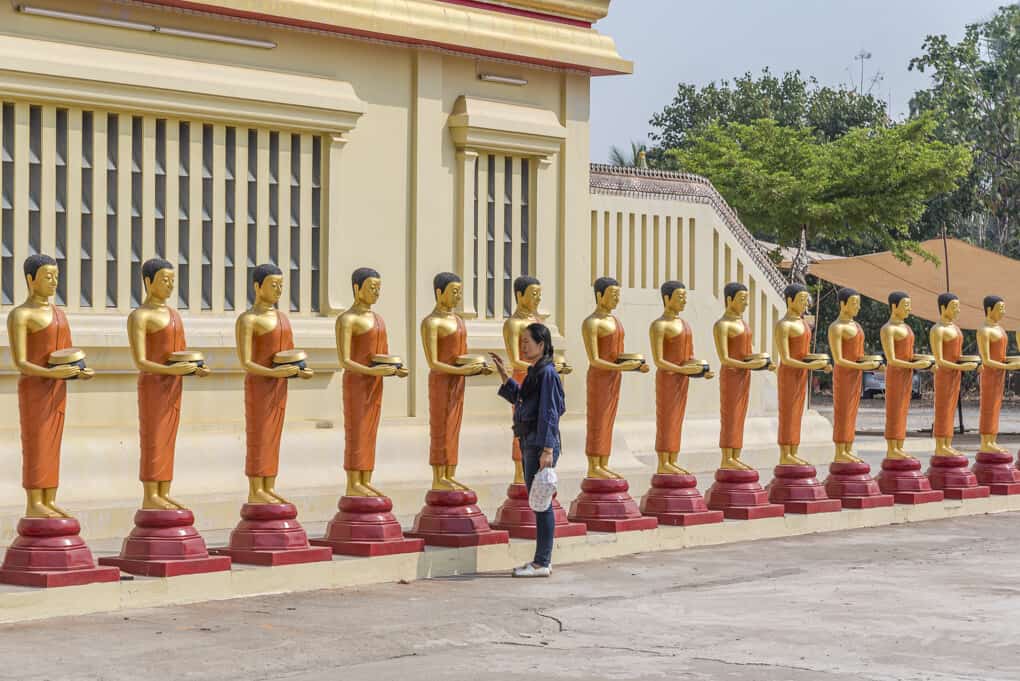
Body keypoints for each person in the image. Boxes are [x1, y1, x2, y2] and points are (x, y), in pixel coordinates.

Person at [490, 323, 565, 578]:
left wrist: (547, 449)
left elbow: (550, 412)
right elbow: (521, 399)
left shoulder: (547, 373)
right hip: (530, 441)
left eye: (527, 342)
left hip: (539, 444)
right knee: (539, 502)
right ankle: (540, 560)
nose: (522, 346)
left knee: (542, 502)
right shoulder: (535, 371)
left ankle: (542, 562)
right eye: (521, 341)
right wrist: (504, 375)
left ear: (541, 345)